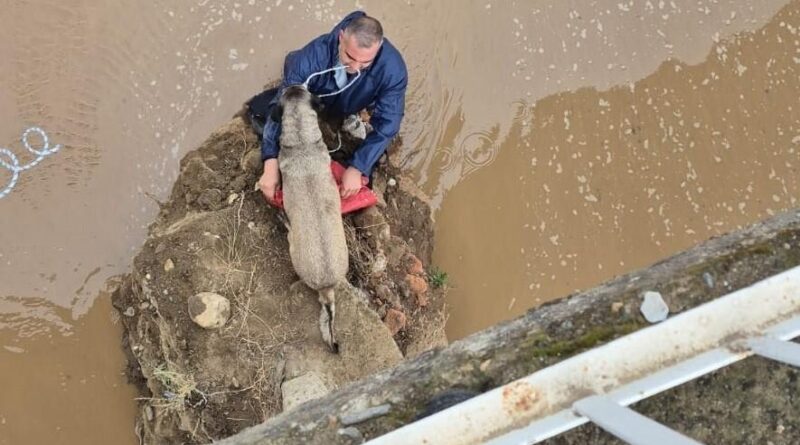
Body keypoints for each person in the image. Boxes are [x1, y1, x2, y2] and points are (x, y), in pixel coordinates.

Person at [257, 11, 408, 203]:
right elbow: (282, 107)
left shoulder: (393, 69)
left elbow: (389, 122)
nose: (355, 67)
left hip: (356, 99)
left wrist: (357, 167)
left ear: (378, 49)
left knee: (377, 132)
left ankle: (356, 113)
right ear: (341, 37)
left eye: (365, 62)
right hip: (316, 95)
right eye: (350, 57)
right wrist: (270, 162)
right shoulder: (310, 59)